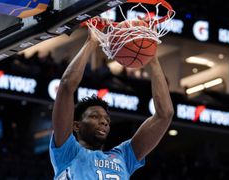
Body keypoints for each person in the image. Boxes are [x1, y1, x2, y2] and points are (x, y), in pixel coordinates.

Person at [49, 17, 174, 179]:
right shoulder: (67, 152)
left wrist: (153, 59)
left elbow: (165, 115)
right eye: (95, 116)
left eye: (107, 120)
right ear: (76, 126)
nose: (104, 122)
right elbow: (66, 86)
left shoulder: (124, 156)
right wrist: (91, 42)